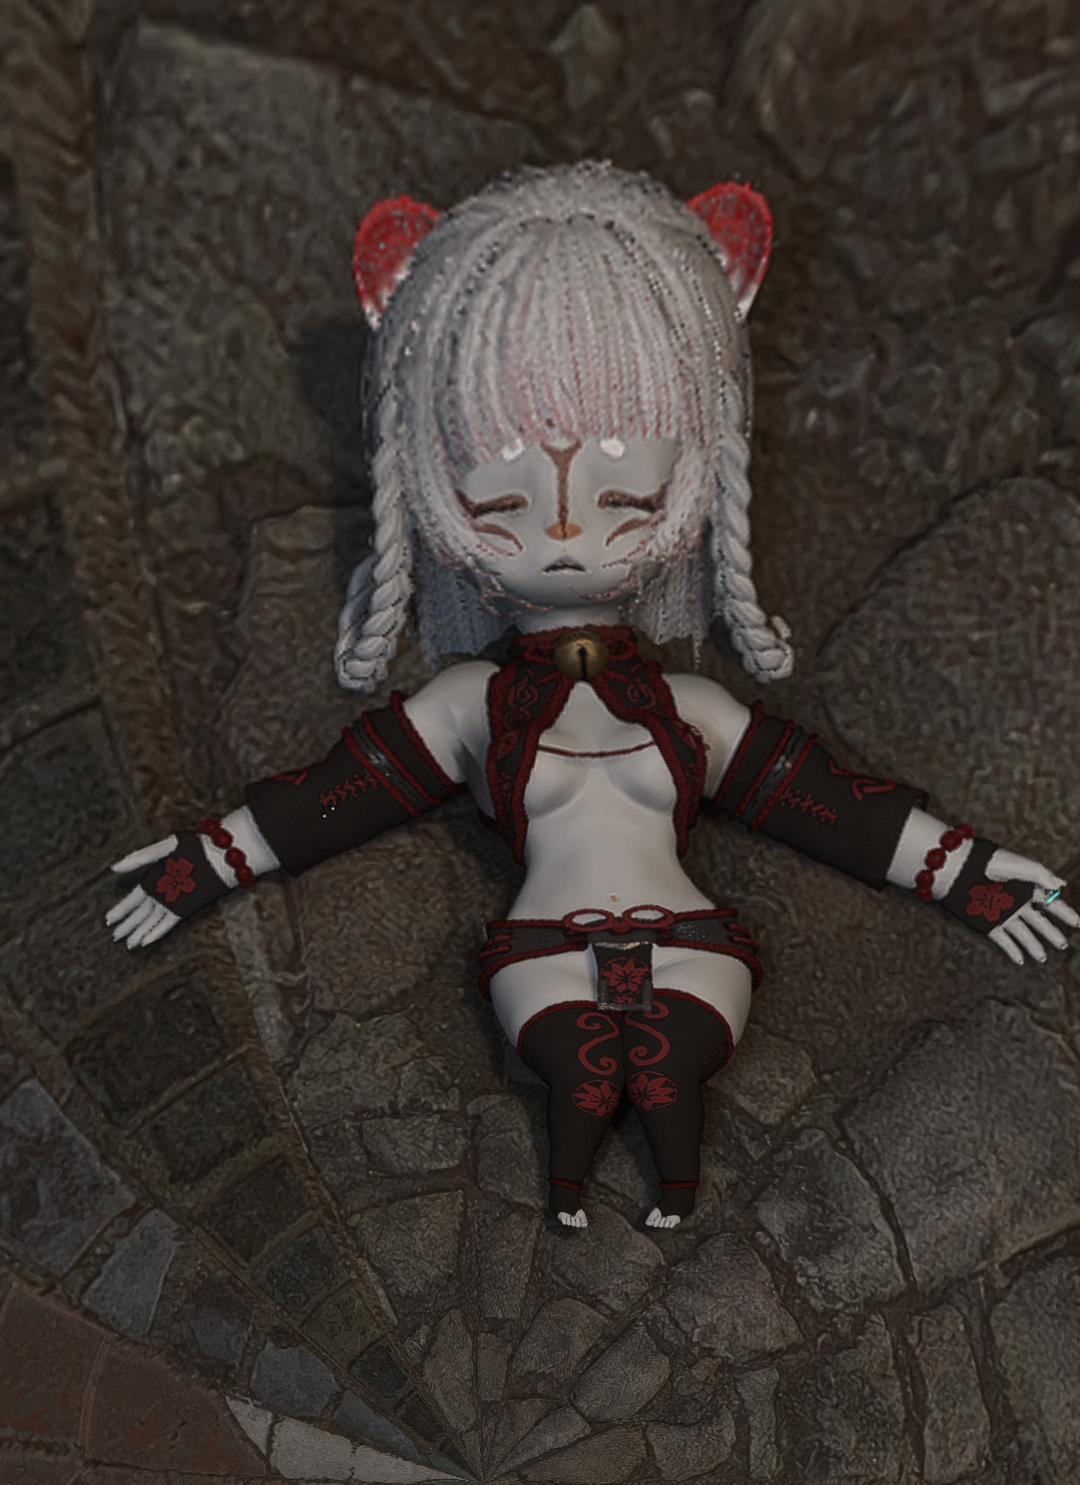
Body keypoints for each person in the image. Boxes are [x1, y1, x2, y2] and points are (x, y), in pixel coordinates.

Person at [105, 162, 1078, 1230]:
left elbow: (823, 800)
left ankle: (650, 1174)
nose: (566, 535)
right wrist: (210, 860)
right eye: (497, 506)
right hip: (546, 957)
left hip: (691, 944)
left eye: (625, 499)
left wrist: (964, 871)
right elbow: (341, 792)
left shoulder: (685, 707)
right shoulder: (473, 704)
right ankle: (582, 1175)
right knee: (583, 1075)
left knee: (667, 1078)